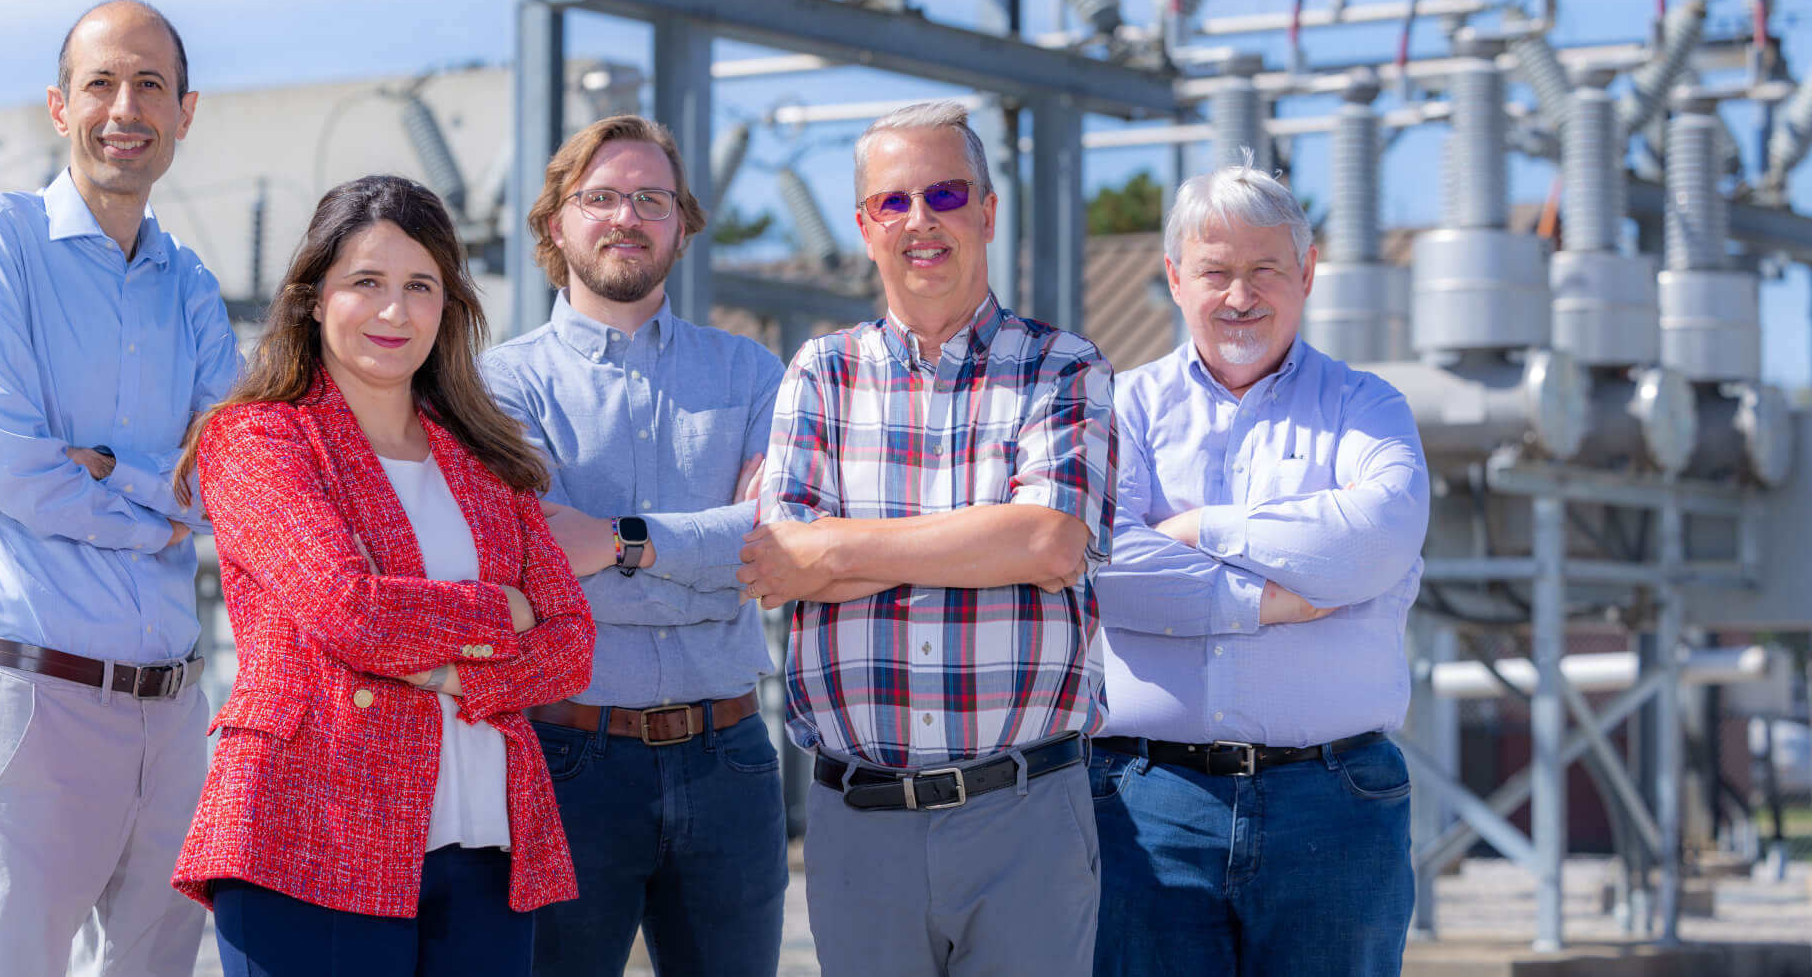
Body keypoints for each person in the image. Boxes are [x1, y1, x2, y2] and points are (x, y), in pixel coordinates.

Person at [170, 174, 595, 976]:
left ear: (449, 306)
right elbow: (353, 612)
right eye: (367, 282)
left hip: (488, 847)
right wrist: (504, 611)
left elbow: (573, 646)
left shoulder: (487, 459)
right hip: (311, 831)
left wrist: (439, 665)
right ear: (313, 298)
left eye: (419, 287)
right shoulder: (261, 441)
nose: (395, 312)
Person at [741, 100, 1116, 977]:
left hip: (1024, 811)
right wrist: (983, 542)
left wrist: (839, 552)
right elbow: (781, 563)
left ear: (987, 212)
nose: (922, 221)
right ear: (866, 224)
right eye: (894, 201)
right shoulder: (820, 372)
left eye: (946, 194)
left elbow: (1052, 542)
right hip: (858, 821)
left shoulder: (1063, 366)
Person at [0, 0, 238, 977]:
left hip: (173, 713)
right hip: (33, 700)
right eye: (100, 82)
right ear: (58, 106)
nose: (125, 106)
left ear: (186, 111)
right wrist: (161, 507)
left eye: (150, 83)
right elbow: (8, 465)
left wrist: (107, 467)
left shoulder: (189, 282)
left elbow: (231, 478)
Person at [1091, 160, 1429, 977]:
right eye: (1215, 272)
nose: (1239, 296)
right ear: (1175, 278)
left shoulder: (1367, 405)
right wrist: (1263, 600)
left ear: (1306, 274)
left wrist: (1202, 526)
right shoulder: (1119, 408)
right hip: (1146, 804)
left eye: (1264, 270)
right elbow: (1101, 563)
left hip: (1336, 800)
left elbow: (1376, 538)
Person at [482, 115, 788, 977]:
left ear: (681, 225)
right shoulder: (500, 385)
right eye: (602, 197)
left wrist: (616, 543)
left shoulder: (752, 373)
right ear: (556, 223)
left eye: (650, 199)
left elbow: (772, 550)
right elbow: (536, 560)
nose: (627, 216)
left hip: (730, 760)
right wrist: (708, 561)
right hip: (570, 764)